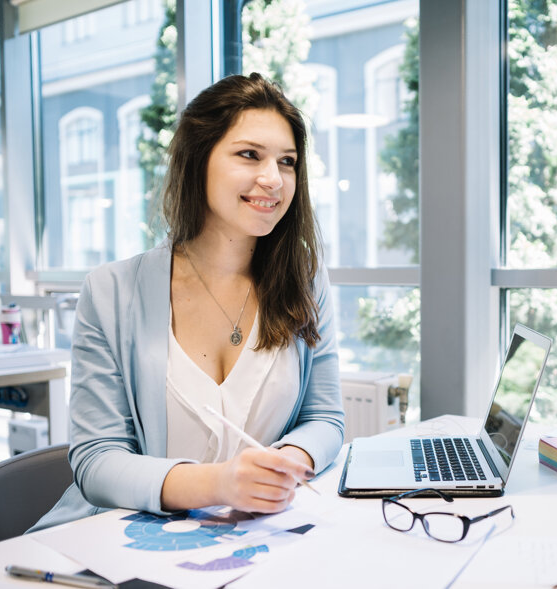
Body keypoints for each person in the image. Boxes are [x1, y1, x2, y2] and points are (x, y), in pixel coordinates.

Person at [32, 73, 344, 531]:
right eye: (249, 155)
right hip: (118, 540)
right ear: (198, 160)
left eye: (287, 161)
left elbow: (325, 418)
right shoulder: (110, 290)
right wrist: (221, 484)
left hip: (249, 539)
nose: (273, 179)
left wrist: (285, 464)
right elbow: (97, 462)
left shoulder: (304, 281)